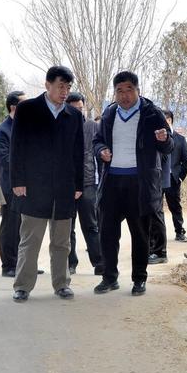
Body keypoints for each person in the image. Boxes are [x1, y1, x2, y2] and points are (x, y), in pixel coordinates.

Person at [93, 71, 173, 296]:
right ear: (115, 92)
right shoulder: (109, 114)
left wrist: (164, 139)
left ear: (137, 90)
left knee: (140, 234)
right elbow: (97, 141)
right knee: (107, 232)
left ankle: (139, 279)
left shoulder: (151, 113)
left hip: (140, 183)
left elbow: (168, 146)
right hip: (112, 182)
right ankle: (109, 278)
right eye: (120, 91)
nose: (125, 95)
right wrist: (101, 151)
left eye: (129, 90)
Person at [10, 66, 84, 302]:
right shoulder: (27, 110)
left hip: (64, 187)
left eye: (68, 87)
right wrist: (17, 181)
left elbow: (78, 152)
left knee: (62, 241)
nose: (65, 92)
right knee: (30, 240)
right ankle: (22, 285)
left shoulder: (73, 116)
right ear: (47, 85)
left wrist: (78, 184)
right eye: (61, 86)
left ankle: (61, 283)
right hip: (33, 186)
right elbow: (17, 147)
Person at [0, 91, 45, 279]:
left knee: (27, 227)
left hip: (30, 185)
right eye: (25, 104)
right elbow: (5, 159)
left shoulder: (28, 127)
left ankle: (26, 264)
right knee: (11, 226)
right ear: (14, 107)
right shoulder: (2, 130)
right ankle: (8, 264)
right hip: (11, 186)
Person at [65, 92, 104, 275]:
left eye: (80, 108)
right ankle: (70, 263)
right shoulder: (61, 125)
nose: (78, 111)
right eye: (74, 108)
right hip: (66, 184)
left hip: (88, 183)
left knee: (91, 225)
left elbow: (99, 151)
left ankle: (98, 262)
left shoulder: (92, 126)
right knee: (67, 227)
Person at [148, 109, 187, 265]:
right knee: (155, 211)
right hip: (156, 180)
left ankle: (180, 231)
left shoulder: (180, 139)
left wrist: (179, 176)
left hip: (172, 179)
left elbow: (186, 160)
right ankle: (154, 244)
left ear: (171, 121)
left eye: (167, 120)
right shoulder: (155, 136)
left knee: (175, 207)